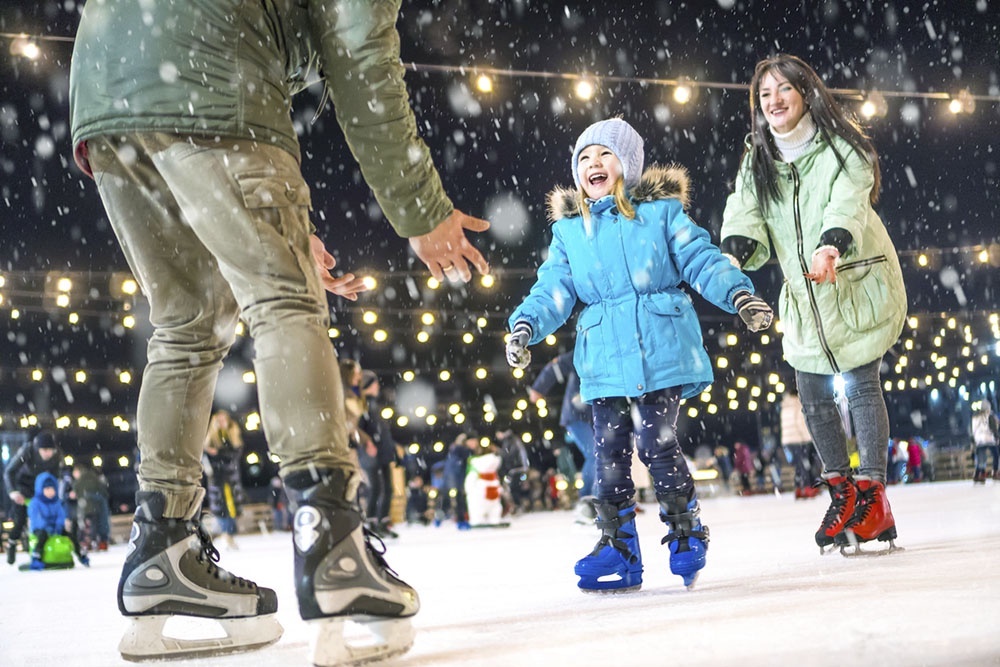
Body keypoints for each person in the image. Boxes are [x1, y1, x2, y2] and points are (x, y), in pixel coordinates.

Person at [69, 1, 491, 661]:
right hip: (205, 72)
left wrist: (283, 229)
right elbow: (361, 58)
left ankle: (162, 547)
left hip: (108, 83)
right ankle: (332, 541)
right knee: (284, 303)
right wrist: (420, 206)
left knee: (186, 324)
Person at [505, 117, 774, 593]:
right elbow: (553, 289)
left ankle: (686, 531)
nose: (594, 163)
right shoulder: (571, 231)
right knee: (608, 454)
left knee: (655, 445)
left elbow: (701, 259)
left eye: (605, 154)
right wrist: (526, 324)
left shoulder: (662, 214)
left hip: (660, 350)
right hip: (605, 358)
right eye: (584, 157)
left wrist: (738, 295)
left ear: (626, 164)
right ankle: (619, 547)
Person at [720, 54, 907, 555]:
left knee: (862, 384)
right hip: (803, 294)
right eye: (765, 94)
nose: (774, 101)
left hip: (850, 279)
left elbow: (848, 197)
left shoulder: (841, 147)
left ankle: (873, 494)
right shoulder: (758, 160)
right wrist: (732, 254)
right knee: (812, 391)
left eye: (784, 90)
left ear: (805, 93)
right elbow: (744, 209)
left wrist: (831, 244)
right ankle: (842, 493)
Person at [529, 352, 597, 521]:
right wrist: (539, 388)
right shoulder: (587, 349)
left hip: (597, 414)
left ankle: (614, 497)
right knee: (595, 454)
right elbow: (556, 365)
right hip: (577, 414)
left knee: (609, 454)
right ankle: (587, 500)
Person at [4, 431, 64, 566]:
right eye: (44, 450)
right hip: (24, 487)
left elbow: (56, 477)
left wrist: (55, 495)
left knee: (46, 520)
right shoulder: (28, 451)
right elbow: (9, 472)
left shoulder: (57, 456)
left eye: (50, 450)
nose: (47, 454)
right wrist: (13, 491)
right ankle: (12, 543)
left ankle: (41, 549)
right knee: (20, 519)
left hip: (43, 490)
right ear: (38, 449)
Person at [358, 370, 400, 537]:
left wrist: (391, 449)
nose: (378, 387)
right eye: (375, 383)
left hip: (381, 451)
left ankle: (381, 521)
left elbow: (380, 430)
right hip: (372, 453)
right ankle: (372, 522)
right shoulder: (363, 405)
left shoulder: (373, 404)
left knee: (387, 488)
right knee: (375, 488)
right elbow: (360, 428)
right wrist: (368, 442)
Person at [26, 471, 89, 570]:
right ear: (41, 490)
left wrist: (59, 526)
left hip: (55, 527)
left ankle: (80, 554)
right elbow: (36, 517)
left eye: (52, 489)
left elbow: (61, 515)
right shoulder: (35, 503)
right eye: (47, 489)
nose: (50, 492)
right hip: (40, 527)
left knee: (70, 536)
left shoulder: (56, 502)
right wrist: (45, 526)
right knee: (42, 536)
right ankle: (36, 556)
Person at [202, 411, 246, 550]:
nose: (221, 423)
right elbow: (207, 457)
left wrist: (218, 453)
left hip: (231, 478)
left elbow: (233, 456)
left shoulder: (233, 437)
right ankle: (226, 534)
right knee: (221, 508)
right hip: (217, 479)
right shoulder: (210, 439)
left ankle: (228, 534)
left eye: (223, 420)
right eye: (218, 420)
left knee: (232, 508)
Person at [781, 389, 821, 499]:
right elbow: (800, 423)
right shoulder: (797, 405)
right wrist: (809, 438)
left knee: (798, 465)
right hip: (799, 439)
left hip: (788, 441)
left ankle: (798, 488)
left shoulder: (785, 406)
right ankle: (808, 487)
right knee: (805, 464)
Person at [69, 461, 112, 551]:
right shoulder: (94, 477)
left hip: (86, 508)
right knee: (100, 524)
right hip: (99, 507)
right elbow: (104, 490)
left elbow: (76, 493)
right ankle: (101, 542)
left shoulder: (80, 482)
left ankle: (89, 542)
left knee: (88, 526)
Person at [971, 402, 999, 484]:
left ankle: (979, 474)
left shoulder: (975, 417)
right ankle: (995, 471)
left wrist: (973, 440)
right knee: (996, 455)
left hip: (979, 439)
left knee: (981, 458)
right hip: (989, 438)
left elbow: (972, 429)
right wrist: (997, 437)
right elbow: (993, 427)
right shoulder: (990, 416)